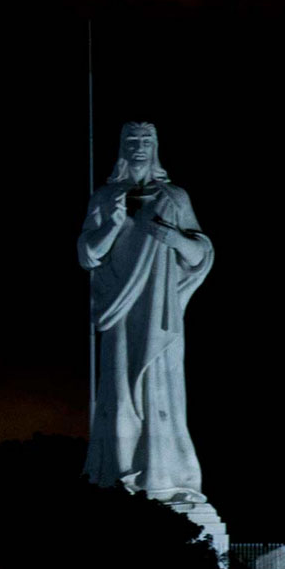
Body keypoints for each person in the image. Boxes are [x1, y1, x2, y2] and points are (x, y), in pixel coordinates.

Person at [77, 122, 213, 503]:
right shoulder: (105, 197)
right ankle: (119, 478)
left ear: (155, 146)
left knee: (161, 391)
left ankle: (165, 478)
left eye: (146, 140)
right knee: (120, 390)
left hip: (161, 312)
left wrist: (174, 238)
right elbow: (87, 254)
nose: (138, 146)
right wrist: (114, 224)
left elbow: (201, 254)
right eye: (131, 140)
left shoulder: (174, 197)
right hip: (119, 311)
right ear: (121, 147)